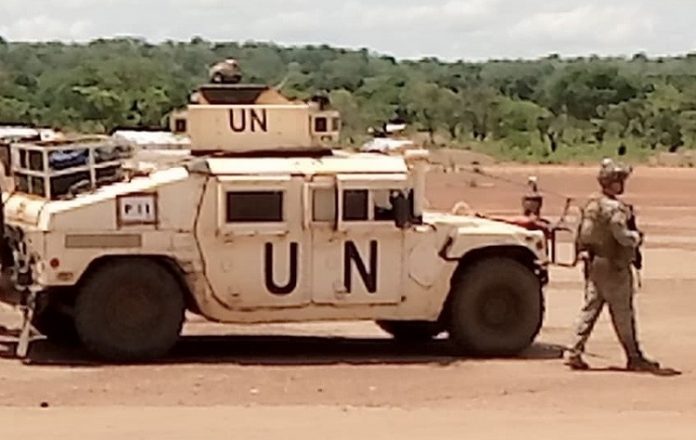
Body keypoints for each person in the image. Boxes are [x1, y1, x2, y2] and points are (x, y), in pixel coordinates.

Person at [564, 158, 659, 372]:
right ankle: (634, 357)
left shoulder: (591, 205)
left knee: (590, 308)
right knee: (623, 313)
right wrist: (636, 238)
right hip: (614, 267)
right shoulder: (616, 209)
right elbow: (622, 236)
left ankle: (573, 351)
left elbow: (582, 234)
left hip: (594, 265)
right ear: (613, 182)